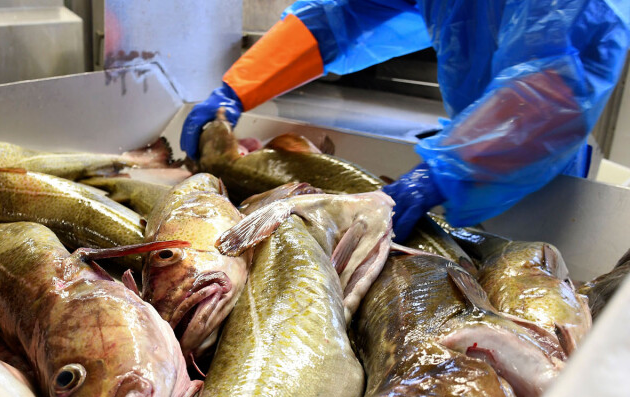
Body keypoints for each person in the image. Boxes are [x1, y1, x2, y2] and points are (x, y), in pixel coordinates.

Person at [180, 0, 630, 240]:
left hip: (540, 164)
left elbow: (550, 98)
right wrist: (238, 88)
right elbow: (339, 15)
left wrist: (441, 174)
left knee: (540, 256)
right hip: (460, 152)